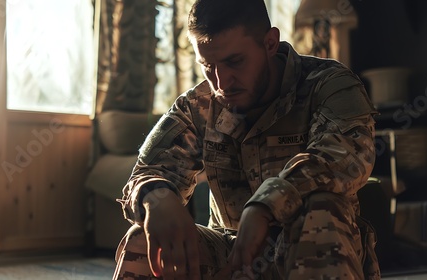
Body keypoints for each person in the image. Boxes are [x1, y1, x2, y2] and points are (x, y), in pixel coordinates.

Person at [113, 0, 380, 279]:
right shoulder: (199, 105)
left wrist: (267, 204)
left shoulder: (327, 83)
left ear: (270, 43)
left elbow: (349, 155)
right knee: (140, 240)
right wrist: (155, 195)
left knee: (321, 212)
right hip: (231, 255)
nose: (222, 82)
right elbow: (147, 172)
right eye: (208, 66)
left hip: (312, 247)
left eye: (234, 61)